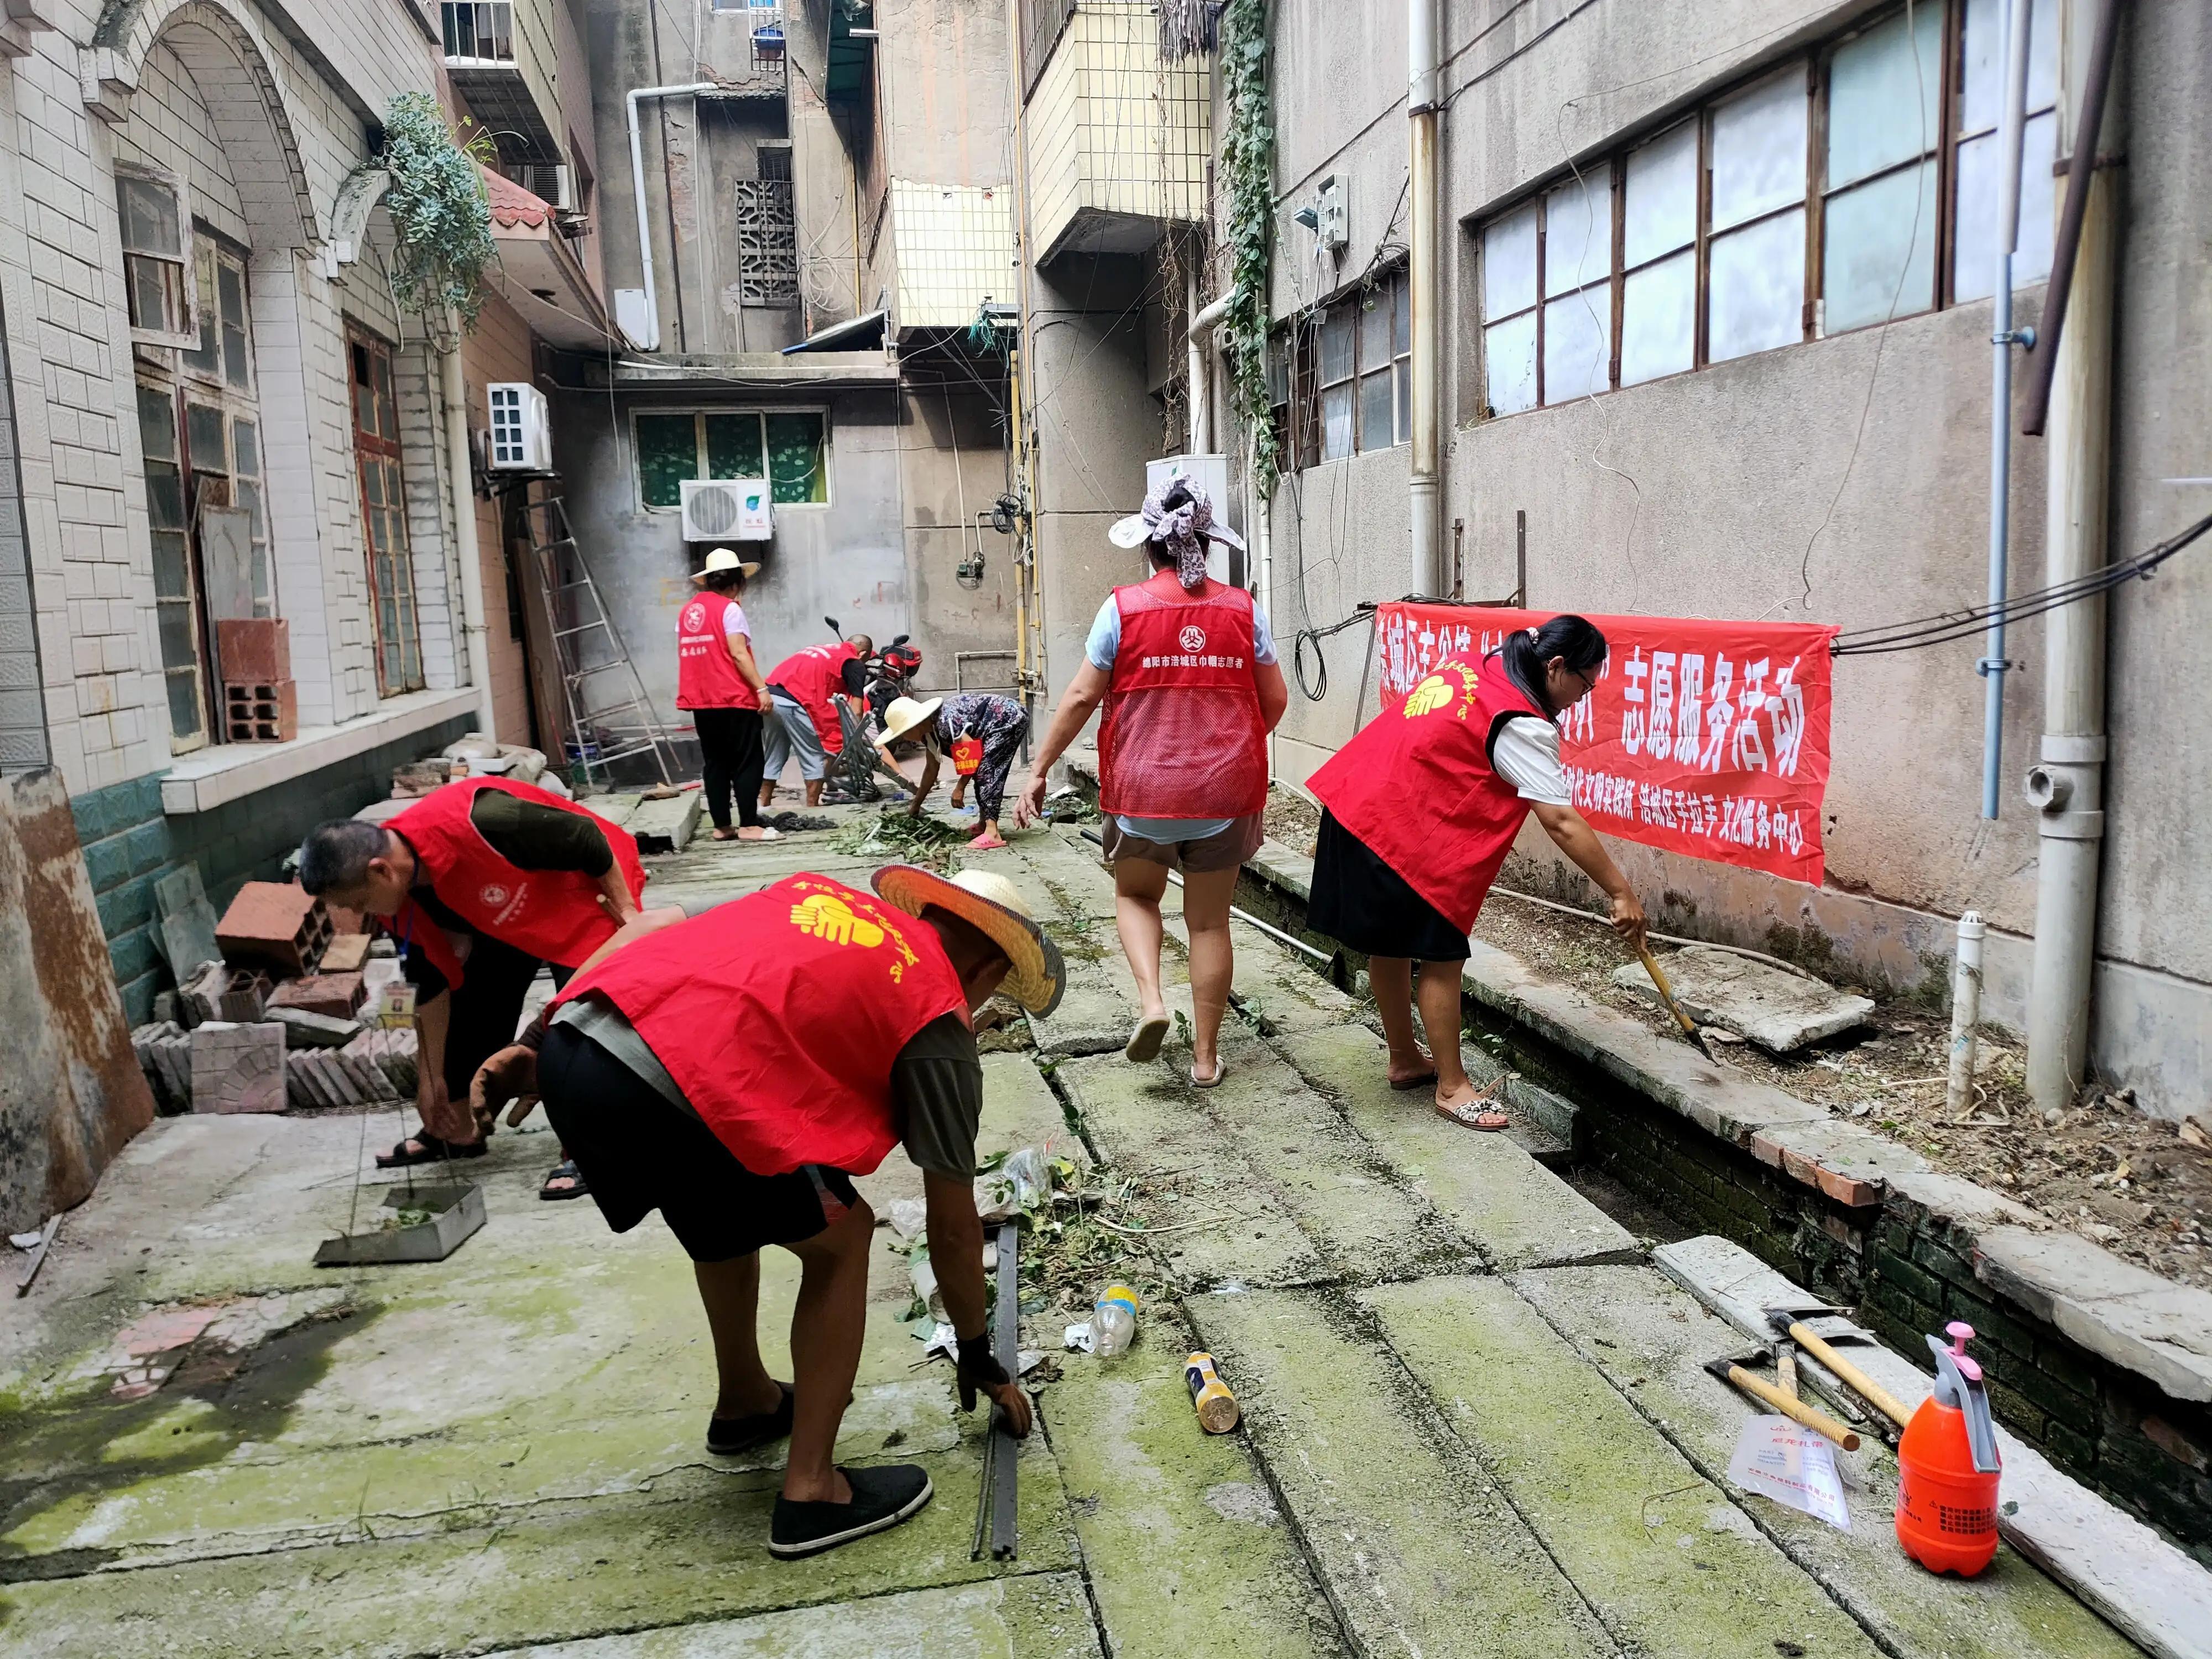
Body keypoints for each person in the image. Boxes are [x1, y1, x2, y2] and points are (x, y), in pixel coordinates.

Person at [465, 864, 1065, 1558]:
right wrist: (974, 1351)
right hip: (678, 1092)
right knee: (845, 1236)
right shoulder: (936, 1009)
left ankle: (746, 1401)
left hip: (577, 1045)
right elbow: (953, 1224)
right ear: (990, 966)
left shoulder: (815, 898)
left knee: (730, 1189)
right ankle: (813, 1492)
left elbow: (656, 926)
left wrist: (537, 1041)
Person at [1303, 614, 1647, 1128]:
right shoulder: (1521, 722)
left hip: (1359, 804)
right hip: (1401, 830)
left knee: (1390, 945)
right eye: (1585, 682)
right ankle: (1452, 1086)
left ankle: (1404, 1058)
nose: (1584, 695)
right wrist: (1621, 892)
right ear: (1556, 667)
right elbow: (1559, 820)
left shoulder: (1482, 665)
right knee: (1441, 958)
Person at [1016, 482, 1288, 1087]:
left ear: (1150, 546)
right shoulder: (1245, 610)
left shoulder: (1122, 608)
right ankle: (1206, 1058)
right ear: (1206, 545)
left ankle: (1152, 1005)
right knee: (1210, 925)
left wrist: (1038, 769)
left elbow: (1084, 695)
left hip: (1142, 792)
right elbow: (1274, 702)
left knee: (1137, 897)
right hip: (1223, 796)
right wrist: (1231, 741)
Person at [296, 777, 646, 1199]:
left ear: (380, 870)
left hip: (582, 892)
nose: (357, 915)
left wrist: (628, 916)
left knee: (576, 1024)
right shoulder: (395, 900)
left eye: (355, 903)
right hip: (502, 915)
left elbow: (589, 840)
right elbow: (428, 985)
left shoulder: (482, 821)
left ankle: (589, 1148)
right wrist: (430, 1081)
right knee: (474, 1003)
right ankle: (457, 1128)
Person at [676, 548, 776, 843]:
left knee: (716, 762)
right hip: (733, 698)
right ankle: (748, 825)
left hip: (702, 700)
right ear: (736, 583)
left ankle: (722, 826)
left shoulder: (687, 612)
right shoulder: (730, 610)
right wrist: (761, 688)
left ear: (707, 582)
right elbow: (738, 654)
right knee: (747, 761)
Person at [877, 691, 1029, 850]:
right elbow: (931, 770)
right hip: (997, 723)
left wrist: (960, 788)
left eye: (903, 734)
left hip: (1008, 719)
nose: (904, 739)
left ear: (914, 725)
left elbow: (972, 755)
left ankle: (992, 833)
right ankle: (984, 824)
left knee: (987, 770)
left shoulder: (945, 723)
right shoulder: (930, 732)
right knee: (981, 770)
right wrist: (915, 806)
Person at [759, 634, 874, 810]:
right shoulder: (853, 663)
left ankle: (764, 806)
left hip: (771, 695)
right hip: (795, 701)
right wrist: (852, 739)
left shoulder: (823, 650)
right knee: (815, 757)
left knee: (774, 755)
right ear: (863, 653)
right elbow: (856, 710)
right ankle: (812, 809)